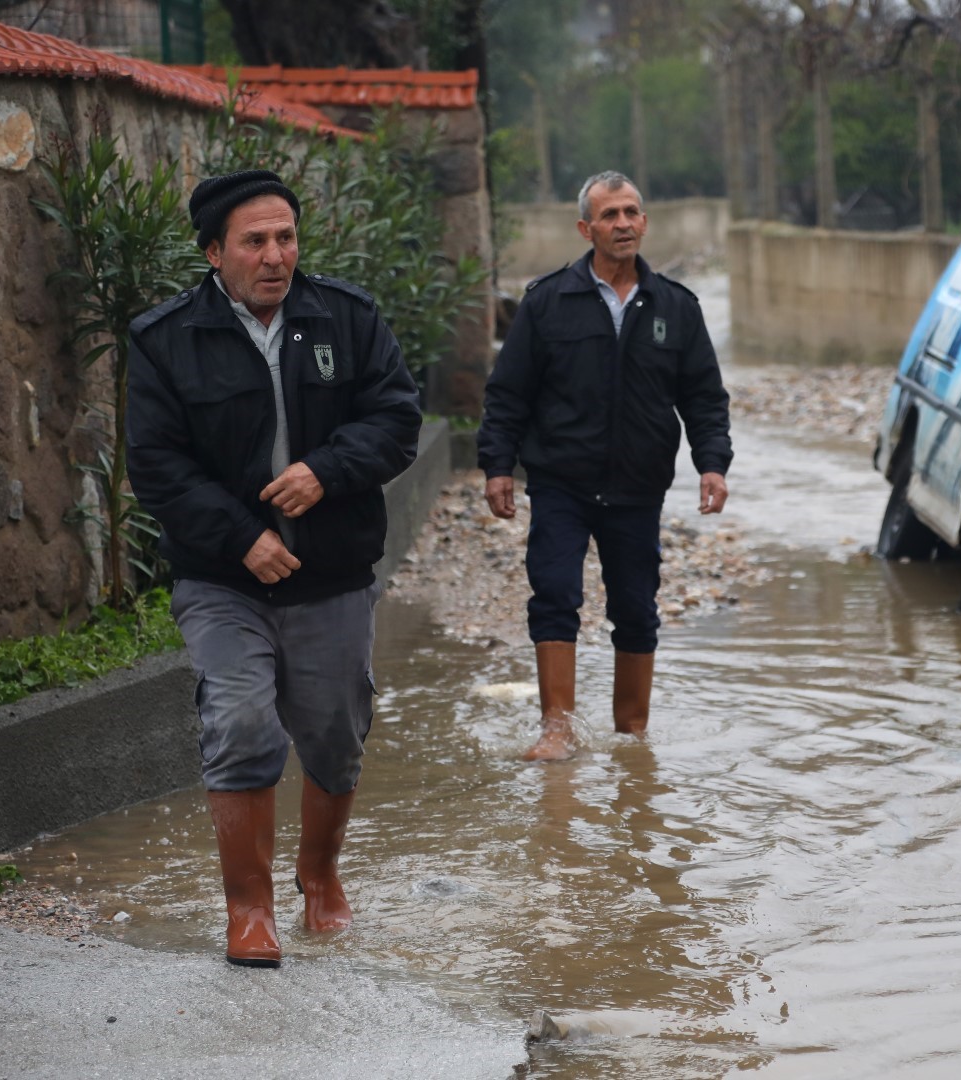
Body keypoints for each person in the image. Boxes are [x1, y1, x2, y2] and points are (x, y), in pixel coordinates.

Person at [126, 170, 421, 968]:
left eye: (285, 237)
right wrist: (239, 537)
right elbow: (155, 464)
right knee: (242, 722)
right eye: (254, 241)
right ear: (214, 250)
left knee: (334, 729)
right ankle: (249, 909)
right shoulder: (163, 339)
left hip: (331, 572)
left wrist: (326, 469)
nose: (274, 255)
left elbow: (397, 419)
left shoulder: (347, 318)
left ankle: (319, 876)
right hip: (223, 580)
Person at [478, 170, 733, 762]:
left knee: (637, 608)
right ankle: (556, 730)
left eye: (631, 213)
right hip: (561, 481)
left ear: (644, 221)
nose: (622, 224)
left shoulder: (676, 306)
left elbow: (703, 396)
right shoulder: (547, 302)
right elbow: (508, 393)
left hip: (639, 488)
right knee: (555, 594)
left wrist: (712, 464)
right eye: (610, 215)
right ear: (585, 227)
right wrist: (496, 466)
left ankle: (632, 735)